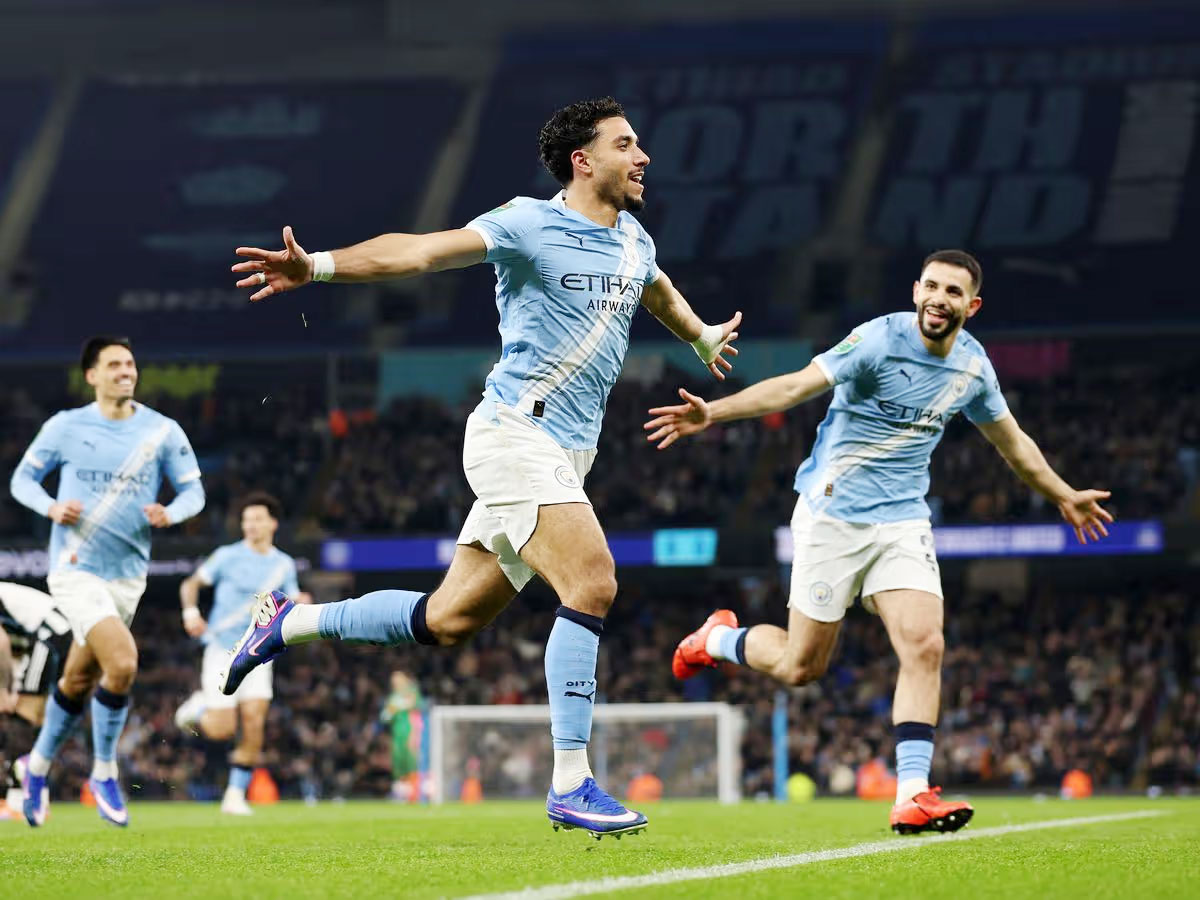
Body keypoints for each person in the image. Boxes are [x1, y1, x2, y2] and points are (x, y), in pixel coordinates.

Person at [221, 96, 739, 839]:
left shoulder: (634, 239)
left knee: (448, 619)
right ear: (583, 161)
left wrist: (699, 335)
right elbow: (421, 252)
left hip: (568, 454)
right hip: (514, 434)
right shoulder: (528, 222)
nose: (643, 157)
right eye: (626, 145)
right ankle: (572, 781)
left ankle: (289, 622)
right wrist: (321, 266)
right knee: (593, 580)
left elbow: (652, 287)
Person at [649, 250, 1113, 834]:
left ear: (972, 306)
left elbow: (1012, 441)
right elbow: (796, 385)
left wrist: (1063, 494)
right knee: (800, 666)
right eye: (932, 287)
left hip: (901, 523)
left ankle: (912, 793)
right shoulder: (877, 340)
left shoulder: (973, 368)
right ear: (916, 290)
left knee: (925, 644)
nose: (939, 299)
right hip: (832, 517)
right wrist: (712, 414)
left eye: (953, 292)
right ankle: (718, 638)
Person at [9, 335, 205, 827]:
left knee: (79, 679)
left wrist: (171, 512)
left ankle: (34, 768)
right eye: (114, 364)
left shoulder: (161, 431)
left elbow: (194, 492)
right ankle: (103, 772)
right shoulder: (65, 426)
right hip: (75, 570)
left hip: (127, 577)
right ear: (92, 376)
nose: (126, 371)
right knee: (122, 663)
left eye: (130, 364)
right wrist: (50, 506)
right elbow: (21, 481)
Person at [174, 491, 305, 815]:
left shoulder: (283, 564)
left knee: (254, 722)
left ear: (273, 523)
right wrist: (191, 613)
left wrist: (302, 600)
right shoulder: (227, 556)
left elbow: (291, 600)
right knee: (223, 728)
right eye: (247, 520)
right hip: (223, 648)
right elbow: (190, 584)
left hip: (260, 652)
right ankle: (195, 710)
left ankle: (234, 796)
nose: (251, 525)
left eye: (258, 519)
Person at [0, 582, 72, 818]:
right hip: (62, 637)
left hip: (49, 638)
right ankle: (38, 796)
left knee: (23, 716)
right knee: (34, 722)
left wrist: (4, 690)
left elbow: (2, 642)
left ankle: (16, 800)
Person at [380, 671, 423, 802]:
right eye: (394, 681)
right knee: (398, 763)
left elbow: (416, 707)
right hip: (397, 734)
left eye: (398, 680)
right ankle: (400, 793)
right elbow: (385, 717)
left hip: (410, 733)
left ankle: (414, 793)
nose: (396, 683)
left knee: (411, 762)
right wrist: (391, 710)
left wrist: (402, 705)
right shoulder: (393, 697)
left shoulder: (412, 692)